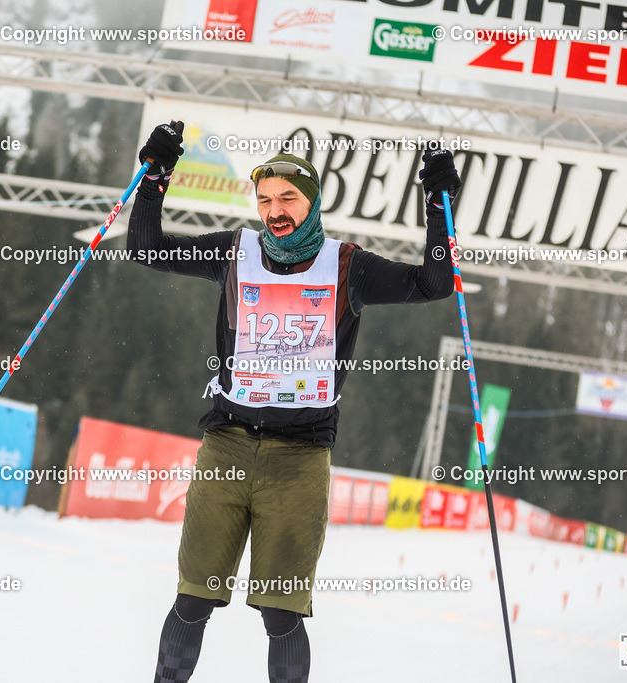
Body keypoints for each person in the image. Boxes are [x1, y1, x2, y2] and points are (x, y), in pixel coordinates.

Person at [129, 121, 459, 683]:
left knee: (281, 612)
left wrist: (438, 204)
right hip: (226, 447)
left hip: (300, 460)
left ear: (312, 201)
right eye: (265, 200)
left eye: (288, 198)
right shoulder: (236, 252)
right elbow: (146, 250)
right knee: (194, 598)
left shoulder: (349, 266)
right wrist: (155, 177)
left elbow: (435, 282)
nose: (275, 210)